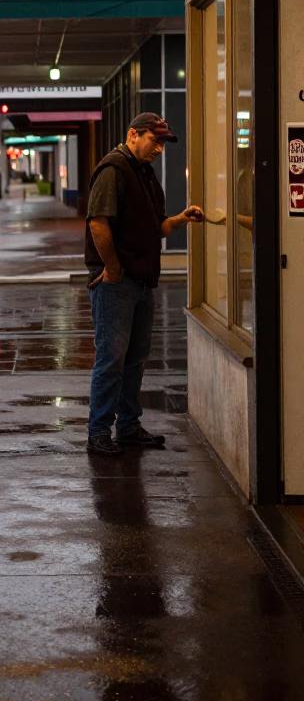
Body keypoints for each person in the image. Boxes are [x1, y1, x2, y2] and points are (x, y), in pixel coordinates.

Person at [84, 112, 204, 456]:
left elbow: (154, 228)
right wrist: (112, 269)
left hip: (142, 280)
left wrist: (180, 220)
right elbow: (98, 224)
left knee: (134, 360)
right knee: (111, 360)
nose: (159, 149)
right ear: (132, 134)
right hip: (117, 284)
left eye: (163, 143)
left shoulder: (143, 173)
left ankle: (128, 428)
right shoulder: (113, 170)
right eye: (154, 141)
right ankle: (98, 433)